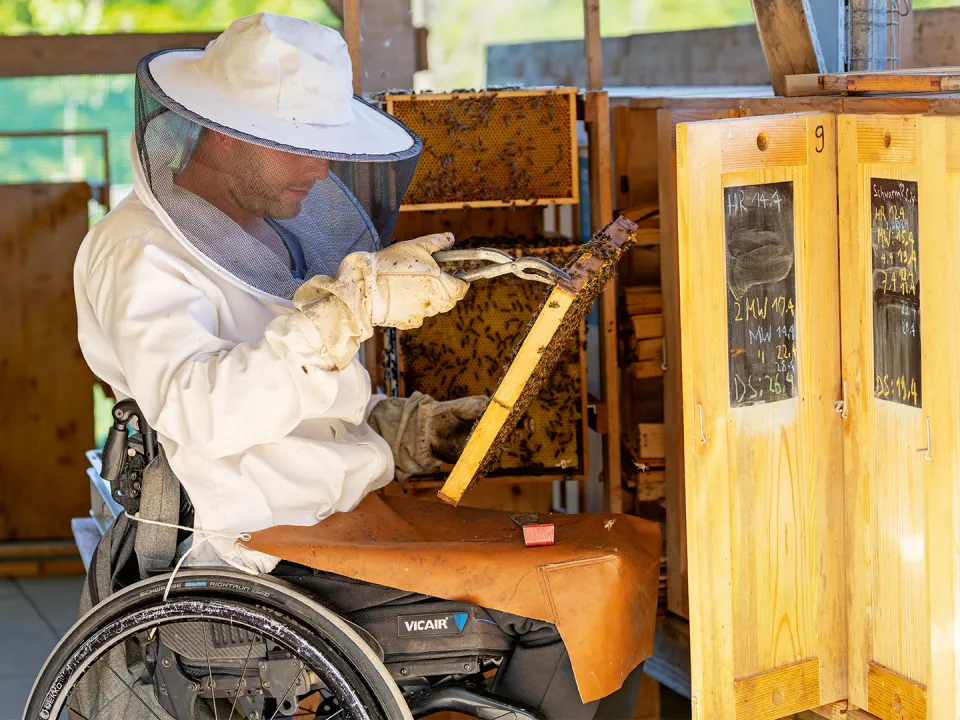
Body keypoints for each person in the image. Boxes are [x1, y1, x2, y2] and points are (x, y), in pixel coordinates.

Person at [74, 12, 641, 718]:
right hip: (261, 550)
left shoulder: (265, 232)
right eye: (300, 146)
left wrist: (394, 428)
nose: (321, 167)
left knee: (607, 569)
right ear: (225, 129)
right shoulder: (139, 252)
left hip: (336, 522)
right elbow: (201, 409)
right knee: (564, 610)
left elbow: (285, 398)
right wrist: (339, 317)